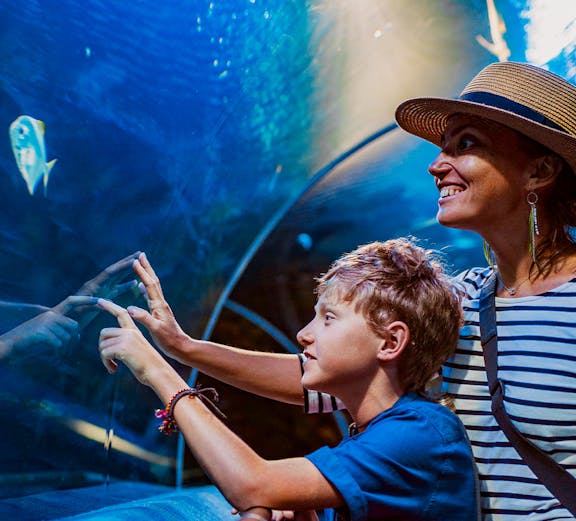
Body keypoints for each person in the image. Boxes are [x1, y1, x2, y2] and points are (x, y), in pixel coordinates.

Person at [113, 61, 576, 519]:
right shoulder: (461, 299)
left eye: (467, 145)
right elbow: (330, 373)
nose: (437, 165)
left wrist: (165, 371)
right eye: (443, 147)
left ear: (540, 170)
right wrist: (184, 348)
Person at [95, 240, 478, 520]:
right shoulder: (377, 430)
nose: (304, 335)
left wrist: (158, 371)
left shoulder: (420, 432)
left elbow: (251, 483)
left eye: (329, 318)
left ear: (391, 342)